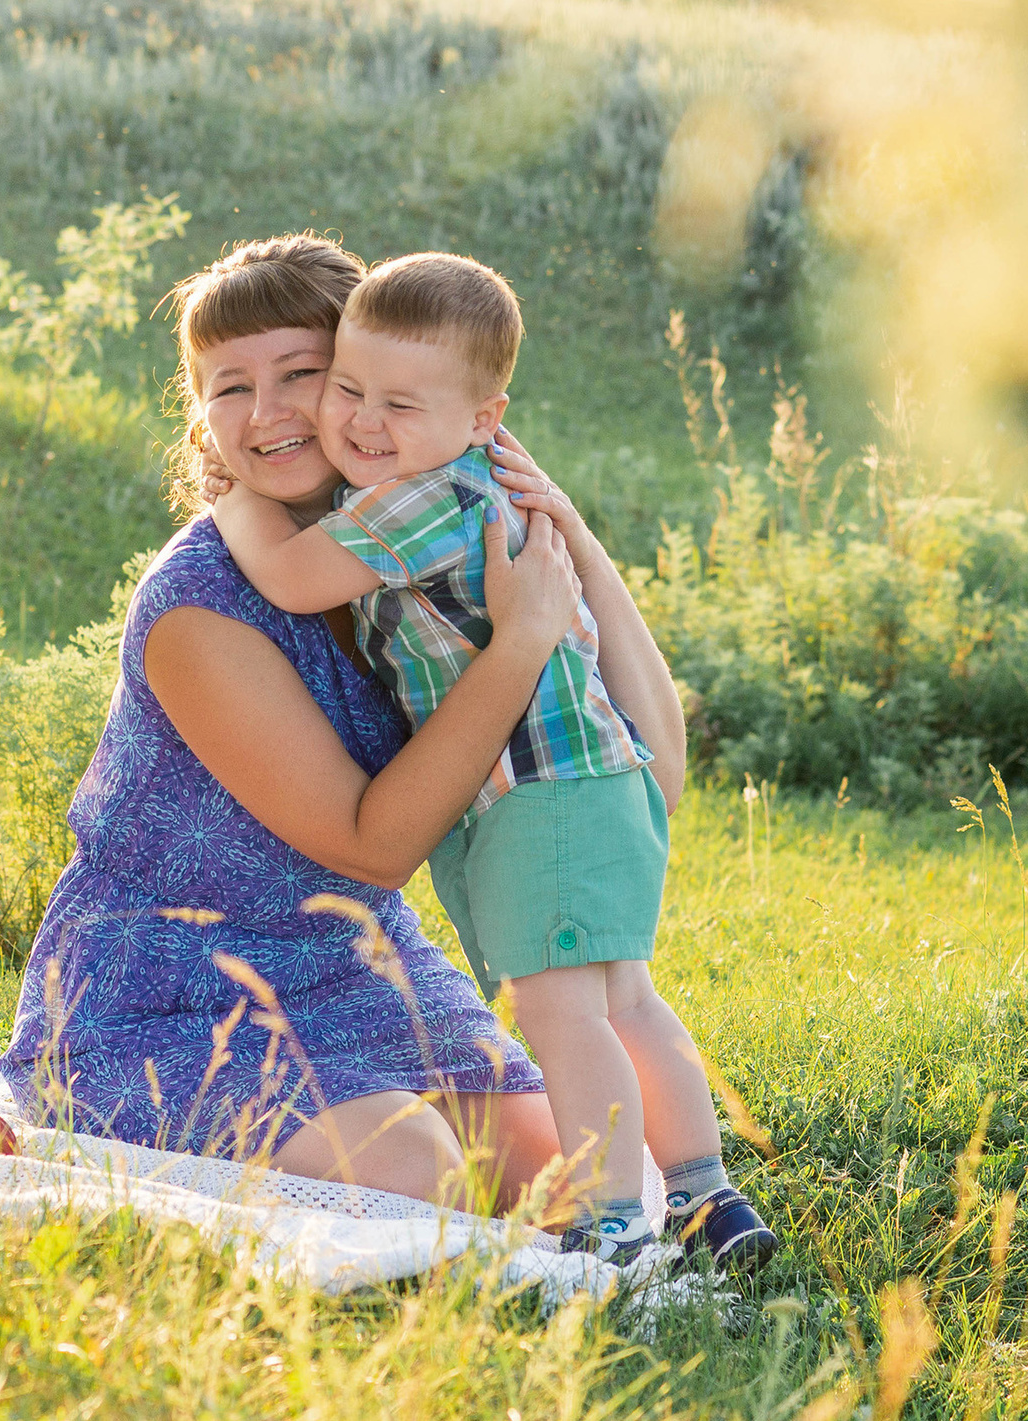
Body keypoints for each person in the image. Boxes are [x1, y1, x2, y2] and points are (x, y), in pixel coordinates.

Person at [210, 251, 776, 1271]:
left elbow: (296, 580)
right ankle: (704, 1192)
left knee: (558, 1012)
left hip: (535, 792)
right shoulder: (471, 477)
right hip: (596, 782)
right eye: (350, 389)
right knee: (622, 1000)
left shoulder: (421, 499)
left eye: (401, 404)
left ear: (484, 419)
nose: (364, 423)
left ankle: (609, 1215)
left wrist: (233, 496)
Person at [0, 234, 579, 1210]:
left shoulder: (421, 555)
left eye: (301, 375)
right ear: (198, 417)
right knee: (414, 1176)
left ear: (364, 385)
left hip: (353, 963)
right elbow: (370, 848)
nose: (264, 414)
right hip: (163, 995)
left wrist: (559, 521)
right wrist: (518, 647)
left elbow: (656, 744)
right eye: (227, 387)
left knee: (578, 1181)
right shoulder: (198, 606)